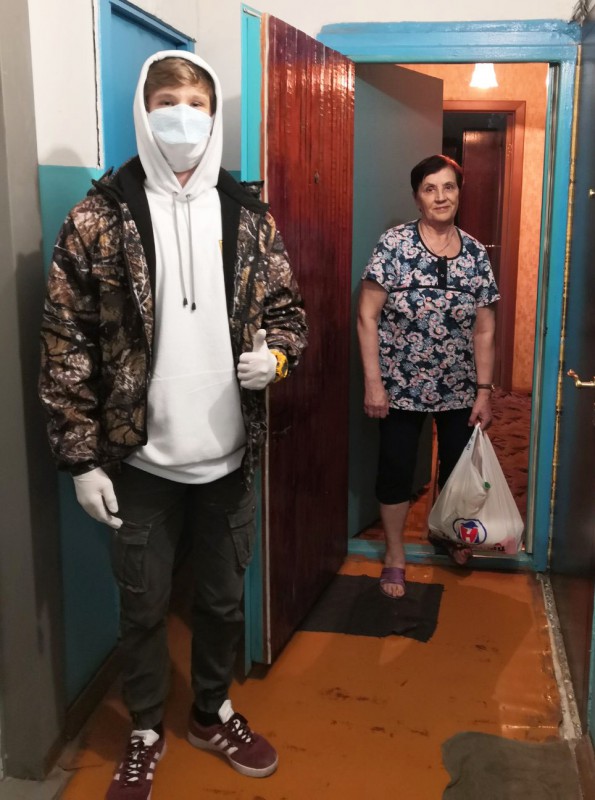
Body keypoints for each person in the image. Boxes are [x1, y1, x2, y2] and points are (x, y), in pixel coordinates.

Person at [39, 50, 307, 798]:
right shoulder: (97, 218)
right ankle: (146, 728)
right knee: (143, 607)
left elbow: (289, 314)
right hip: (139, 461)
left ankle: (212, 711)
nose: (182, 117)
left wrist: (277, 360)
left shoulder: (248, 215)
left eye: (196, 103)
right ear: (142, 109)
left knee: (221, 601)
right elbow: (64, 342)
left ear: (214, 117)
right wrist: (81, 459)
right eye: (167, 101)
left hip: (230, 457)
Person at [357, 154, 499, 598]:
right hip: (400, 386)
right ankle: (396, 554)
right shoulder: (394, 245)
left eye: (449, 187)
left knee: (457, 469)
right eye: (430, 188)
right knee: (396, 468)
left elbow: (485, 329)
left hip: (459, 388)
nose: (441, 196)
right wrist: (374, 383)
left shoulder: (475, 253)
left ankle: (449, 534)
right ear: (417, 197)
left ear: (459, 192)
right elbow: (366, 316)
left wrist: (484, 391)